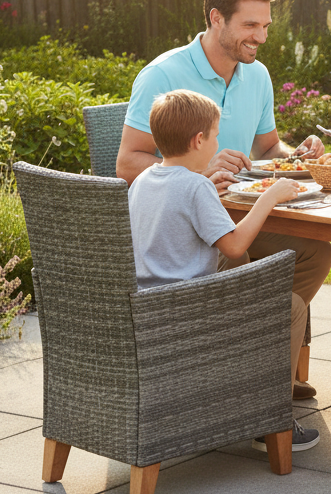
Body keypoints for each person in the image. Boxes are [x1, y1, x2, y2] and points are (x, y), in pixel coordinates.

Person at [117, 0, 331, 399]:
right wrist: (197, 170)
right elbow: (126, 163)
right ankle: (255, 377)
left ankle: (254, 361)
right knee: (257, 271)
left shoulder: (257, 74)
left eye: (265, 26)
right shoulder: (163, 76)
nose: (260, 37)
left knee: (313, 251)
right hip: (191, 228)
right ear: (217, 19)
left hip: (234, 216)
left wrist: (299, 156)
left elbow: (269, 148)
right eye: (249, 25)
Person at [128, 89, 320, 452]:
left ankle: (250, 379)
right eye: (215, 136)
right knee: (289, 306)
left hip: (149, 304)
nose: (217, 144)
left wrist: (210, 199)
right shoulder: (195, 185)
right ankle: (269, 417)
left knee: (246, 276)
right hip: (187, 312)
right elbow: (235, 245)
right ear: (199, 140)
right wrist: (269, 197)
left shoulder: (145, 180)